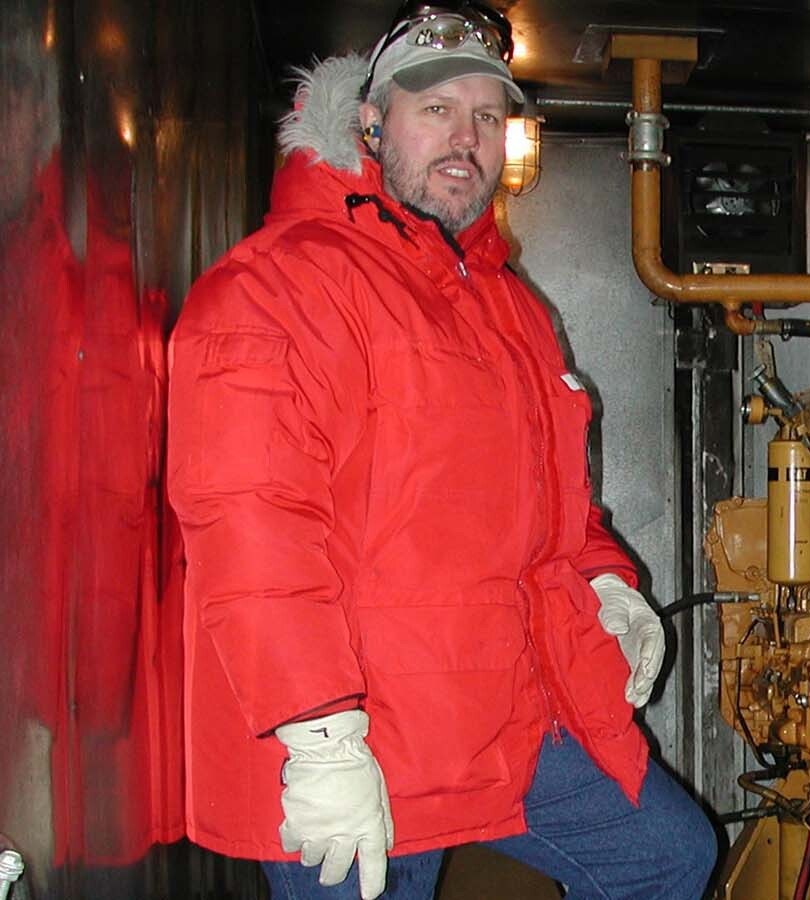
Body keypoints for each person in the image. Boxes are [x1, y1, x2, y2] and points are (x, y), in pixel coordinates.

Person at [166, 3, 718, 898]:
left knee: (665, 857)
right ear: (370, 123)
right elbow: (251, 526)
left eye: (489, 116)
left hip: (500, 708)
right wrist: (317, 735)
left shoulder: (509, 308)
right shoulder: (279, 284)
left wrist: (607, 583)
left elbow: (556, 507)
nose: (467, 137)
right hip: (358, 740)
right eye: (436, 109)